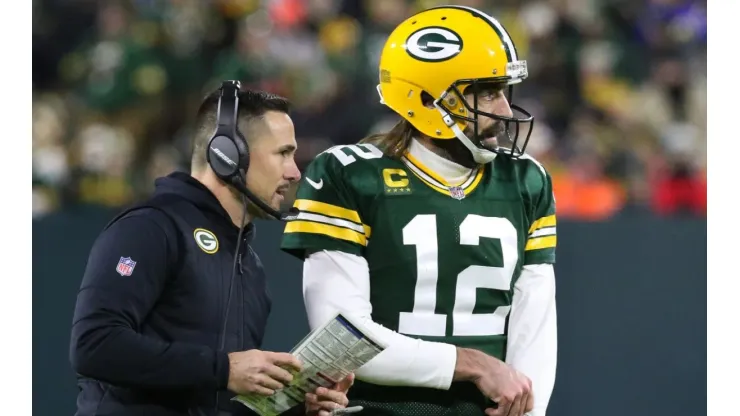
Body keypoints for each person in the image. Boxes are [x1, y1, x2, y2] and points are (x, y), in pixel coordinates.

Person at [280, 5, 557, 416]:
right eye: (485, 91)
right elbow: (343, 340)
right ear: (428, 98)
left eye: (503, 91)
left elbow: (534, 325)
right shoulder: (351, 175)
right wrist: (472, 364)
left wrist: (528, 412)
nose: (502, 110)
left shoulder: (525, 180)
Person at [69, 81, 352, 416]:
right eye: (283, 154)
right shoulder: (150, 228)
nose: (294, 172)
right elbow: (94, 345)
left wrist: (299, 409)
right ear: (228, 154)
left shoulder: (250, 265)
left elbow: (214, 399)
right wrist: (224, 369)